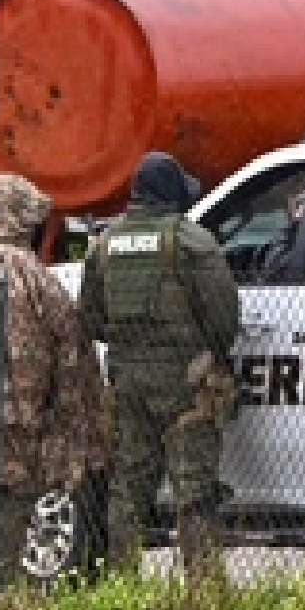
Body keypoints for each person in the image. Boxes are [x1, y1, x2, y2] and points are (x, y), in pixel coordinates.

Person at [0, 174, 108, 593]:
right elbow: (70, 334)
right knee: (12, 517)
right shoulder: (26, 270)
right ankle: (3, 608)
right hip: (21, 416)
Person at [79, 152, 241, 581]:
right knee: (194, 489)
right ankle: (203, 590)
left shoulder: (104, 246)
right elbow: (225, 316)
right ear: (170, 193)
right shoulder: (191, 242)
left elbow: (91, 317)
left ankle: (121, 585)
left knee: (129, 487)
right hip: (186, 380)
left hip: (128, 379)